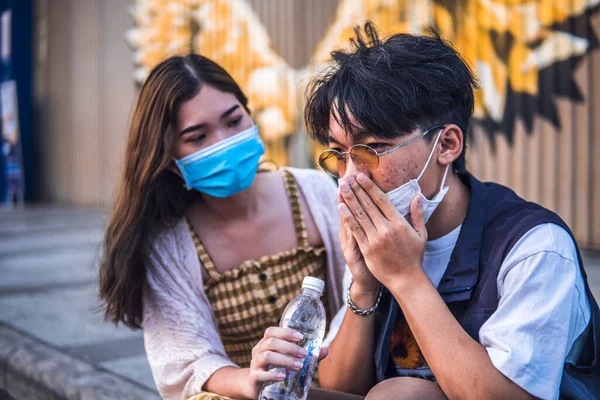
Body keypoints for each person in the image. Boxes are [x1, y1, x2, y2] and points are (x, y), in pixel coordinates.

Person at [304, 22, 600, 399]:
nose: (349, 180)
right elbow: (341, 388)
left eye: (373, 150)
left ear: (446, 144)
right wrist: (363, 285)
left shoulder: (534, 246)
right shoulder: (378, 239)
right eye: (339, 155)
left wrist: (406, 277)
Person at [98, 54, 349, 400]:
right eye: (197, 137)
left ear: (250, 115)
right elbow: (189, 364)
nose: (223, 142)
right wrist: (250, 380)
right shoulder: (170, 245)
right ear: (171, 162)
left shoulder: (317, 192)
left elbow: (361, 300)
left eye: (233, 121)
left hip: (341, 384)